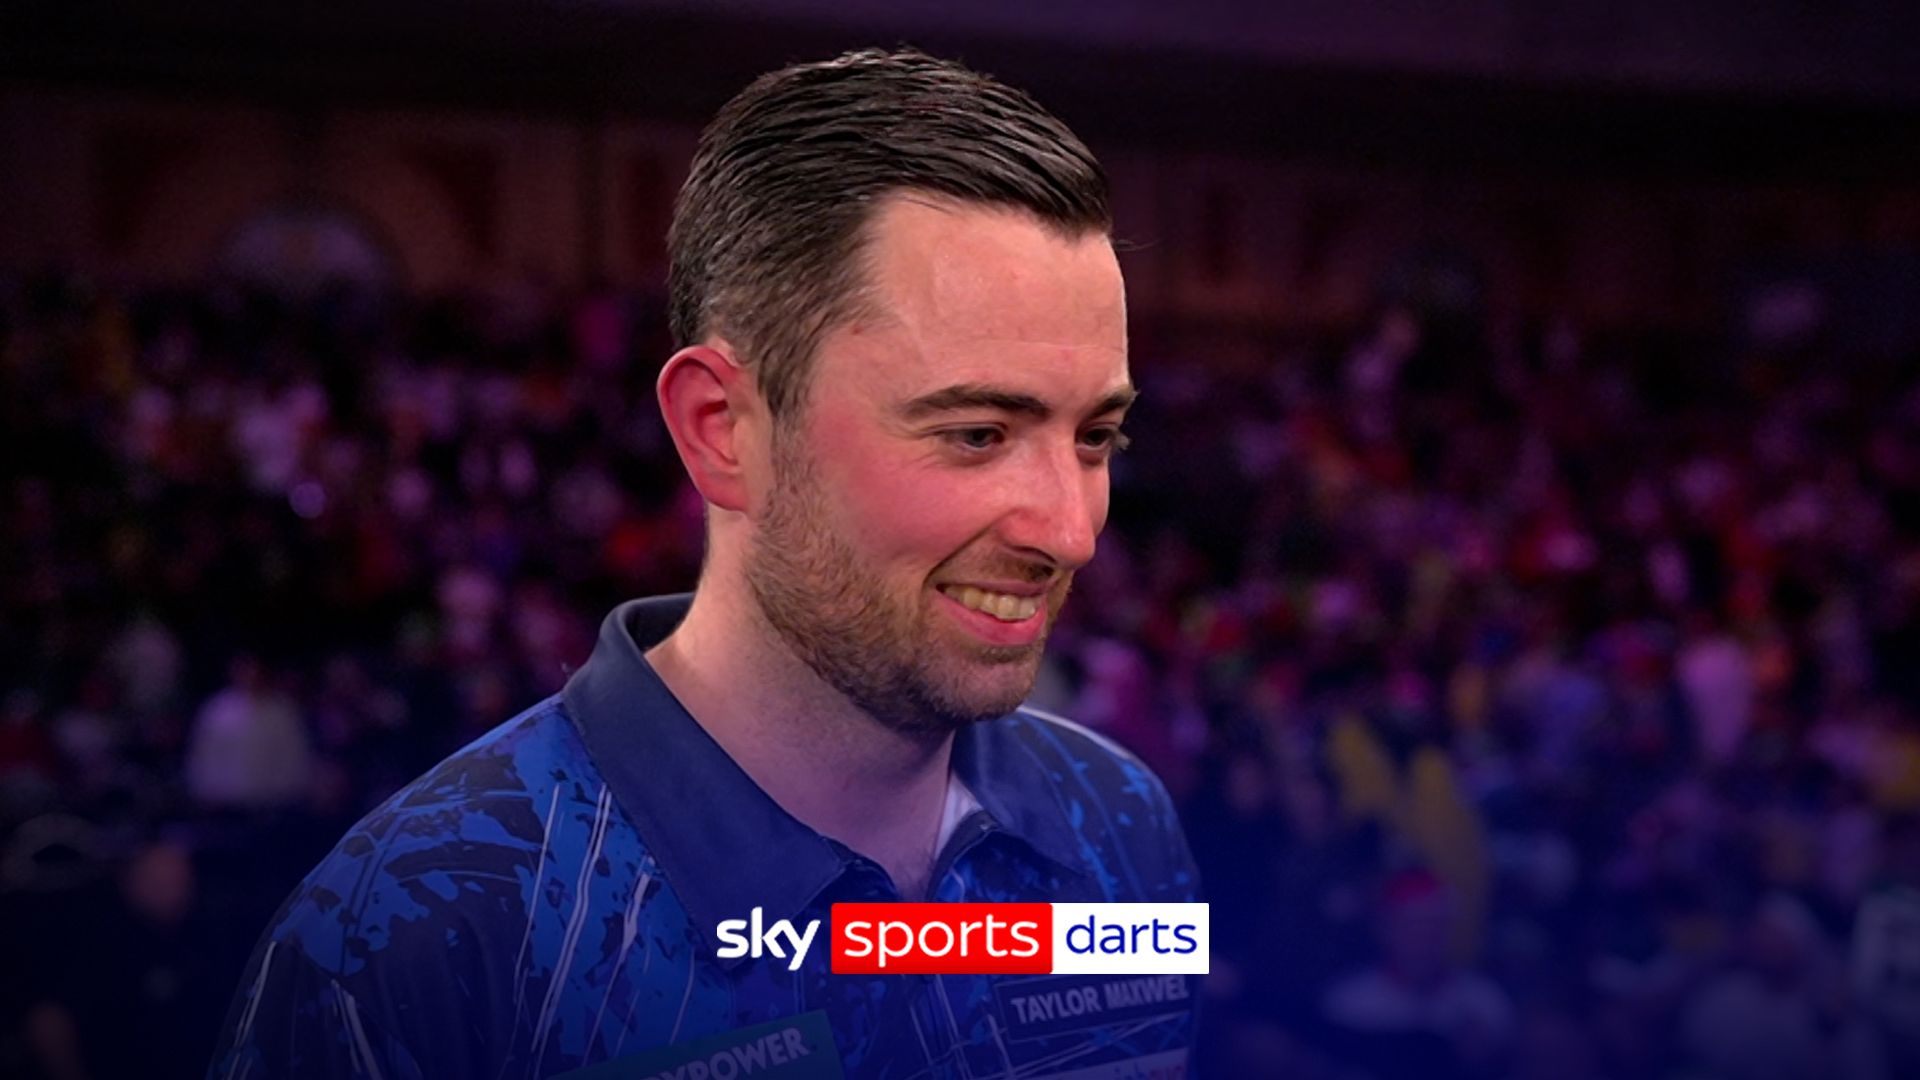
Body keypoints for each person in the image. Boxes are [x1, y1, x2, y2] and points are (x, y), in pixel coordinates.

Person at [209, 47, 1200, 1080]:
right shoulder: (410, 936)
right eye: (977, 434)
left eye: (1097, 437)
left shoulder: (1122, 826)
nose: (1071, 531)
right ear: (723, 430)